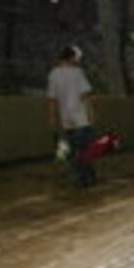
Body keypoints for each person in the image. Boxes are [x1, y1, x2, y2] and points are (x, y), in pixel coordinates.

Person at [46, 45, 96, 188]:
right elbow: (85, 96)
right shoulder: (78, 72)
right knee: (85, 150)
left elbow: (52, 99)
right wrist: (91, 114)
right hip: (81, 118)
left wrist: (51, 118)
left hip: (66, 120)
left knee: (73, 152)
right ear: (72, 57)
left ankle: (80, 178)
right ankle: (87, 178)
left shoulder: (53, 74)